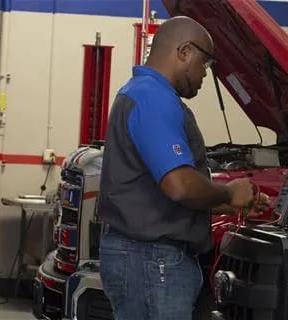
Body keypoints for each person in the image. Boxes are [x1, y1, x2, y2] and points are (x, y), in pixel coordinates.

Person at [96, 16, 266, 320]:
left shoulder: (143, 93)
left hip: (144, 258)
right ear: (185, 51)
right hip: (152, 261)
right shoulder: (152, 98)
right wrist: (229, 190)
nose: (204, 74)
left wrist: (228, 203)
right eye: (204, 63)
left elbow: (153, 193)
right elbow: (178, 185)